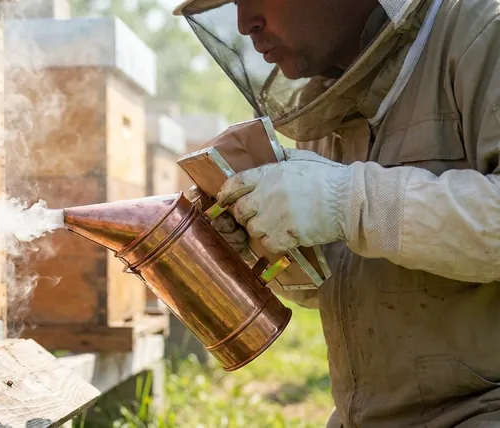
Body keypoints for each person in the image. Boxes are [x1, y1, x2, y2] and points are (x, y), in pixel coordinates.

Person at [171, 0, 500, 426]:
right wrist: (263, 240)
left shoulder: (482, 33)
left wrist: (345, 201)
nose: (244, 22)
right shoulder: (325, 104)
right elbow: (348, 281)